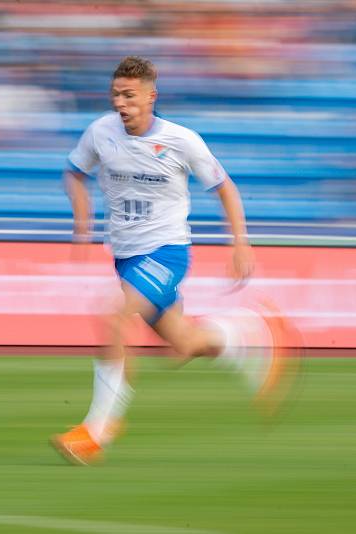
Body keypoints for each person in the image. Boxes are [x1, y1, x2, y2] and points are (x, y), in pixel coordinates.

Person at [50, 56, 298, 466]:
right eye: (115, 95)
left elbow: (225, 188)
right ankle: (248, 331)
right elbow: (73, 172)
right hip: (127, 258)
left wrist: (241, 244)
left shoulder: (182, 141)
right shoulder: (100, 133)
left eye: (129, 96)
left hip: (166, 252)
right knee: (182, 345)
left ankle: (97, 429)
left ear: (151, 97)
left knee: (113, 316)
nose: (121, 104)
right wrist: (83, 217)